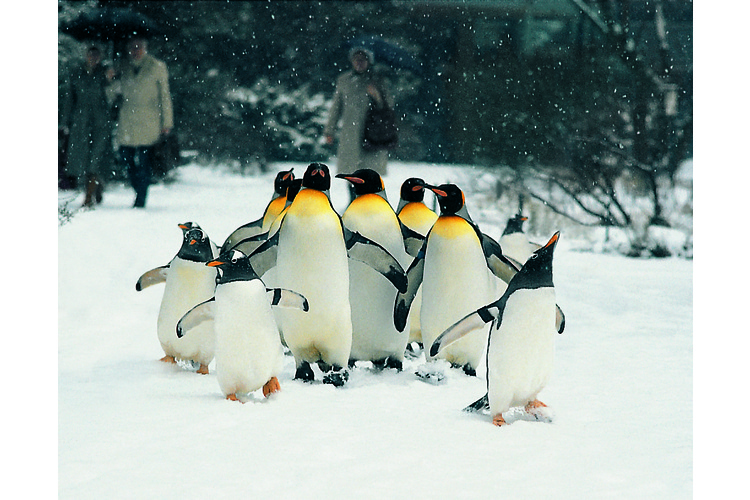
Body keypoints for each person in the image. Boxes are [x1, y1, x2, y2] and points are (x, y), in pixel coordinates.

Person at [116, 37, 173, 208]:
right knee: (126, 158)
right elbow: (114, 93)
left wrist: (167, 122)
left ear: (145, 48)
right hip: (127, 120)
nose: (135, 51)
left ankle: (141, 198)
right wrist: (110, 79)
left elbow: (165, 96)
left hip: (149, 121)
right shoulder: (122, 66)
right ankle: (138, 188)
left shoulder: (157, 66)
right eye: (132, 47)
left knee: (145, 162)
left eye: (139, 47)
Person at [324, 47, 394, 187]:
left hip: (374, 132)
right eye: (356, 60)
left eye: (363, 60)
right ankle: (352, 200)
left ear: (369, 62)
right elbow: (336, 108)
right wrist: (329, 131)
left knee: (370, 170)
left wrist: (376, 95)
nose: (359, 63)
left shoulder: (378, 80)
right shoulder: (344, 80)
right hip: (350, 132)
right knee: (350, 170)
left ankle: (367, 199)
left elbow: (389, 106)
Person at [60, 45, 114, 207]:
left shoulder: (104, 74)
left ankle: (89, 195)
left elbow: (113, 97)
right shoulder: (76, 73)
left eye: (96, 55)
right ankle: (92, 187)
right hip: (81, 123)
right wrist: (64, 123)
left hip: (100, 122)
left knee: (96, 158)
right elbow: (70, 99)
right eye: (91, 55)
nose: (93, 58)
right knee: (82, 159)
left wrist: (110, 80)